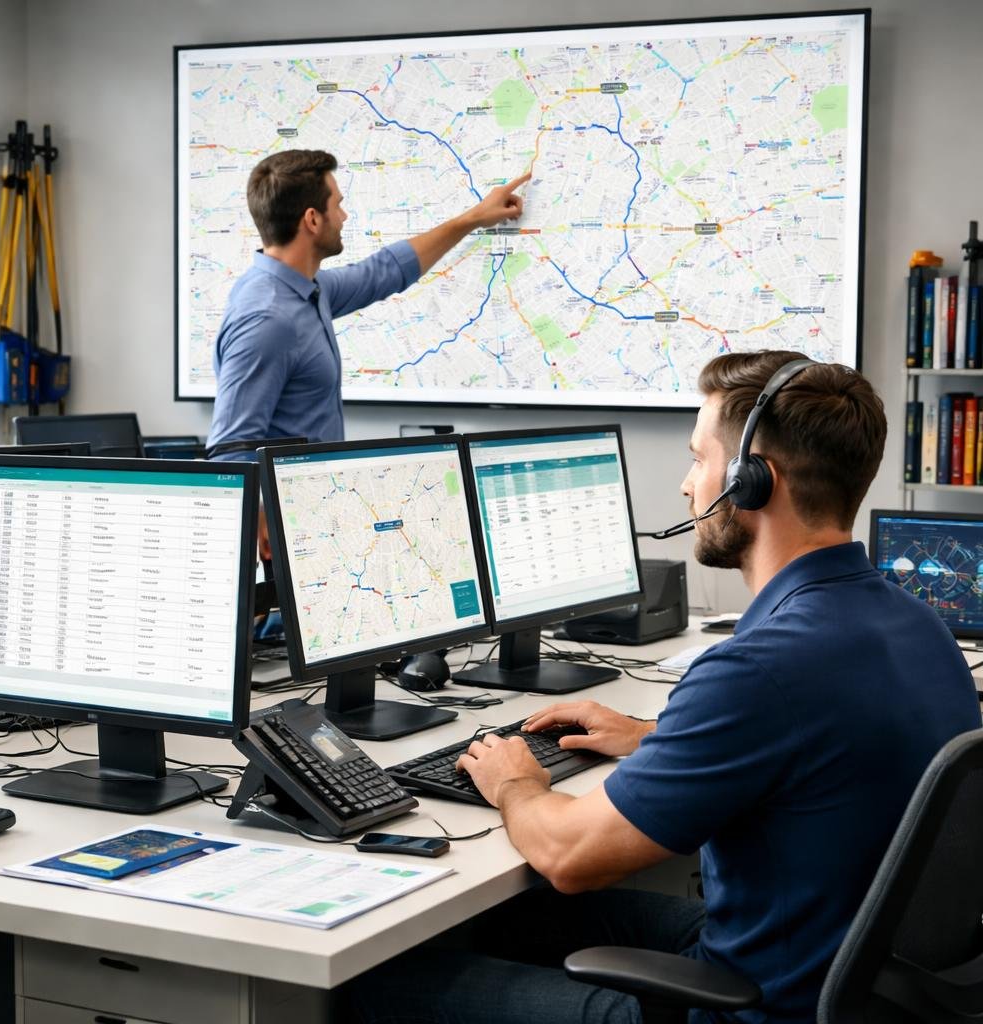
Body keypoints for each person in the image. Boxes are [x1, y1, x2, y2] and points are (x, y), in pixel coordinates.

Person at [347, 351, 982, 1024]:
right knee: (514, 921)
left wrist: (514, 783)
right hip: (847, 972)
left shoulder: (757, 671)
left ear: (750, 484)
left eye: (698, 459)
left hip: (761, 1006)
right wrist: (653, 737)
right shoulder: (919, 626)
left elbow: (569, 856)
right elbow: (824, 743)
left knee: (377, 985)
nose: (686, 485)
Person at [206, 149, 530, 454]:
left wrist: (473, 218)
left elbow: (384, 271)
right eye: (337, 205)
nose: (343, 216)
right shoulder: (267, 319)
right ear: (313, 220)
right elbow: (231, 452)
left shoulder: (308, 289)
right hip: (291, 497)